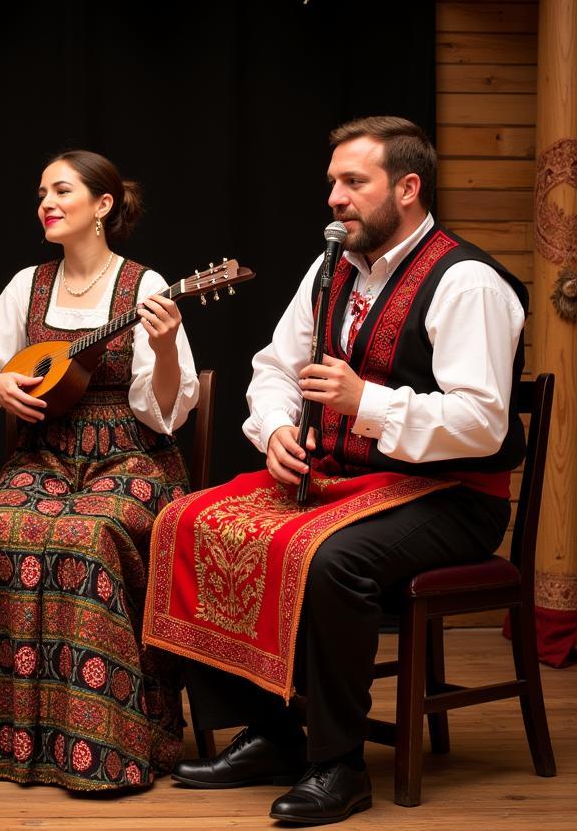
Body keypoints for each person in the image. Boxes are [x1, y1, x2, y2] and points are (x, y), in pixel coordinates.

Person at [147, 117, 526, 824]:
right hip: (344, 482)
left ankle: (338, 763)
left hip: (452, 496)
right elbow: (273, 369)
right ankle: (271, 732)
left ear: (408, 189)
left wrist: (367, 402)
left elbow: (484, 421)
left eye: (355, 182)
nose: (335, 198)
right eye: (332, 183)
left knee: (328, 560)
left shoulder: (468, 282)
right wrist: (277, 430)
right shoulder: (330, 271)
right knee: (188, 521)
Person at [0, 150, 200, 790]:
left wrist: (166, 347)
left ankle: (105, 744)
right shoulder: (27, 284)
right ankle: (2, 739)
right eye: (41, 194)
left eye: (61, 191)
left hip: (132, 455)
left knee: (88, 537)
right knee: (0, 529)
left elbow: (167, 406)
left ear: (103, 206)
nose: (46, 204)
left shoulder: (146, 286)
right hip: (45, 452)